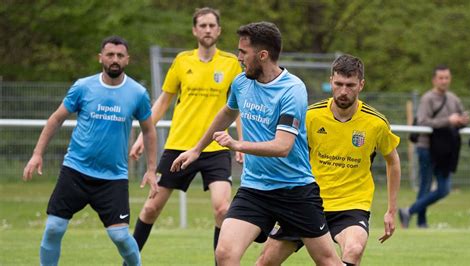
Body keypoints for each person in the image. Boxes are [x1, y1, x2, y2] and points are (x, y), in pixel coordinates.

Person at [171, 21, 342, 265]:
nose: (238, 57)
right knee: (225, 254)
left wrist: (238, 145)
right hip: (255, 189)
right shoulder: (241, 83)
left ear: (262, 55)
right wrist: (197, 149)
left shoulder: (292, 90)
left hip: (295, 190)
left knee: (328, 261)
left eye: (243, 52)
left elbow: (283, 147)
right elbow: (227, 113)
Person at [22, 36, 158, 266]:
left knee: (121, 237)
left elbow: (149, 131)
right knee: (54, 227)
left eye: (120, 55)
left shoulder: (137, 93)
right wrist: (37, 154)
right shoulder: (83, 87)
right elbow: (56, 119)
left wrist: (152, 169)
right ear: (100, 58)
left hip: (112, 177)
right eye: (110, 55)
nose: (114, 59)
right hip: (75, 171)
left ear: (127, 59)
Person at [255, 54, 401, 266]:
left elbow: (393, 161)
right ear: (331, 81)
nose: (343, 91)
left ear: (361, 85)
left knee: (354, 249)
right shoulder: (310, 116)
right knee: (265, 262)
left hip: (351, 204)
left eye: (350, 85)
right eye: (339, 83)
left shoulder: (376, 123)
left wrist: (391, 210)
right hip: (308, 201)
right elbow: (287, 155)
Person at [128, 7, 242, 258]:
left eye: (212, 25)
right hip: (179, 146)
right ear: (194, 30)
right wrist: (140, 136)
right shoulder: (182, 61)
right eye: (203, 25)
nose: (208, 30)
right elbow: (162, 102)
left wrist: (241, 142)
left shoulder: (231, 63)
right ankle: (130, 262)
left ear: (219, 30)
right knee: (150, 209)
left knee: (223, 209)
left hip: (215, 148)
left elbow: (238, 106)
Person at [399, 65, 470, 228]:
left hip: (445, 150)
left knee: (444, 188)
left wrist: (464, 119)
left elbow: (460, 116)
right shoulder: (427, 98)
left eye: (447, 77)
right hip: (427, 148)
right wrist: (448, 121)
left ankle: (408, 211)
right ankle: (421, 222)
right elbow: (423, 121)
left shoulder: (453, 98)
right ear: (434, 80)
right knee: (425, 185)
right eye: (441, 78)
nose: (444, 81)